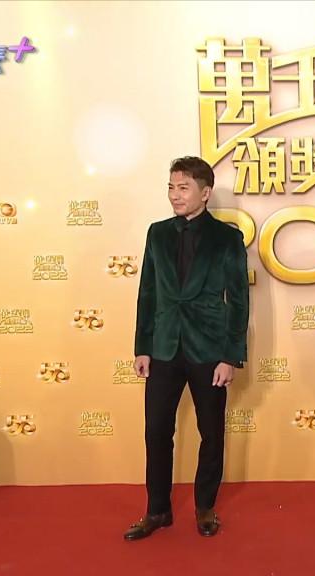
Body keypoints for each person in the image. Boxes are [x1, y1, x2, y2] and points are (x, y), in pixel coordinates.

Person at [124, 156, 249, 541]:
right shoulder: (157, 233)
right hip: (163, 347)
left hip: (209, 348)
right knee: (156, 431)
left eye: (183, 188)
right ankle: (157, 510)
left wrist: (230, 356)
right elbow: (147, 291)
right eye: (171, 187)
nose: (175, 195)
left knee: (211, 432)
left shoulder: (227, 238)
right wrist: (143, 346)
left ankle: (205, 507)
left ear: (205, 193)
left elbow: (239, 300)